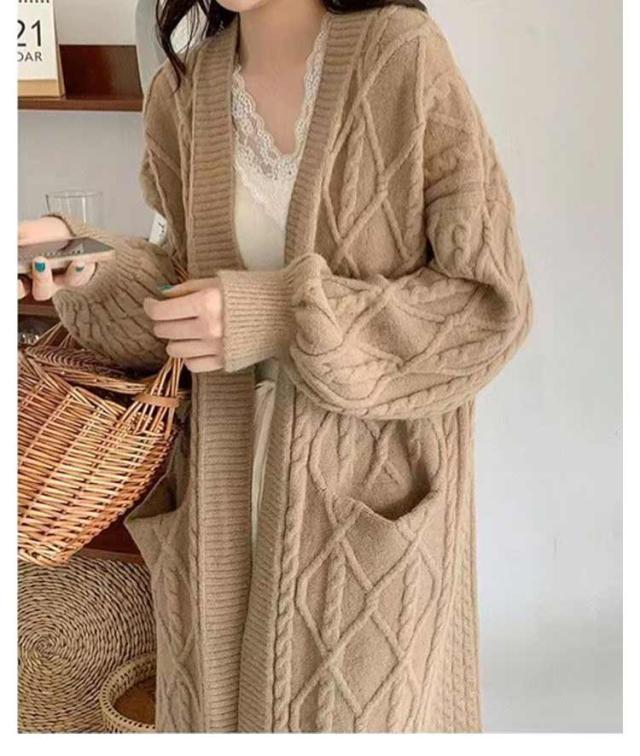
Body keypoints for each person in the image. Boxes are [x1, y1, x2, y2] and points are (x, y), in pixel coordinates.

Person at [18, 0, 532, 733]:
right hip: (220, 493)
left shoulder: (402, 55)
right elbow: (183, 290)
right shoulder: (183, 89)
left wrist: (277, 317)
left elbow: (486, 305)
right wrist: (90, 264)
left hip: (362, 501)